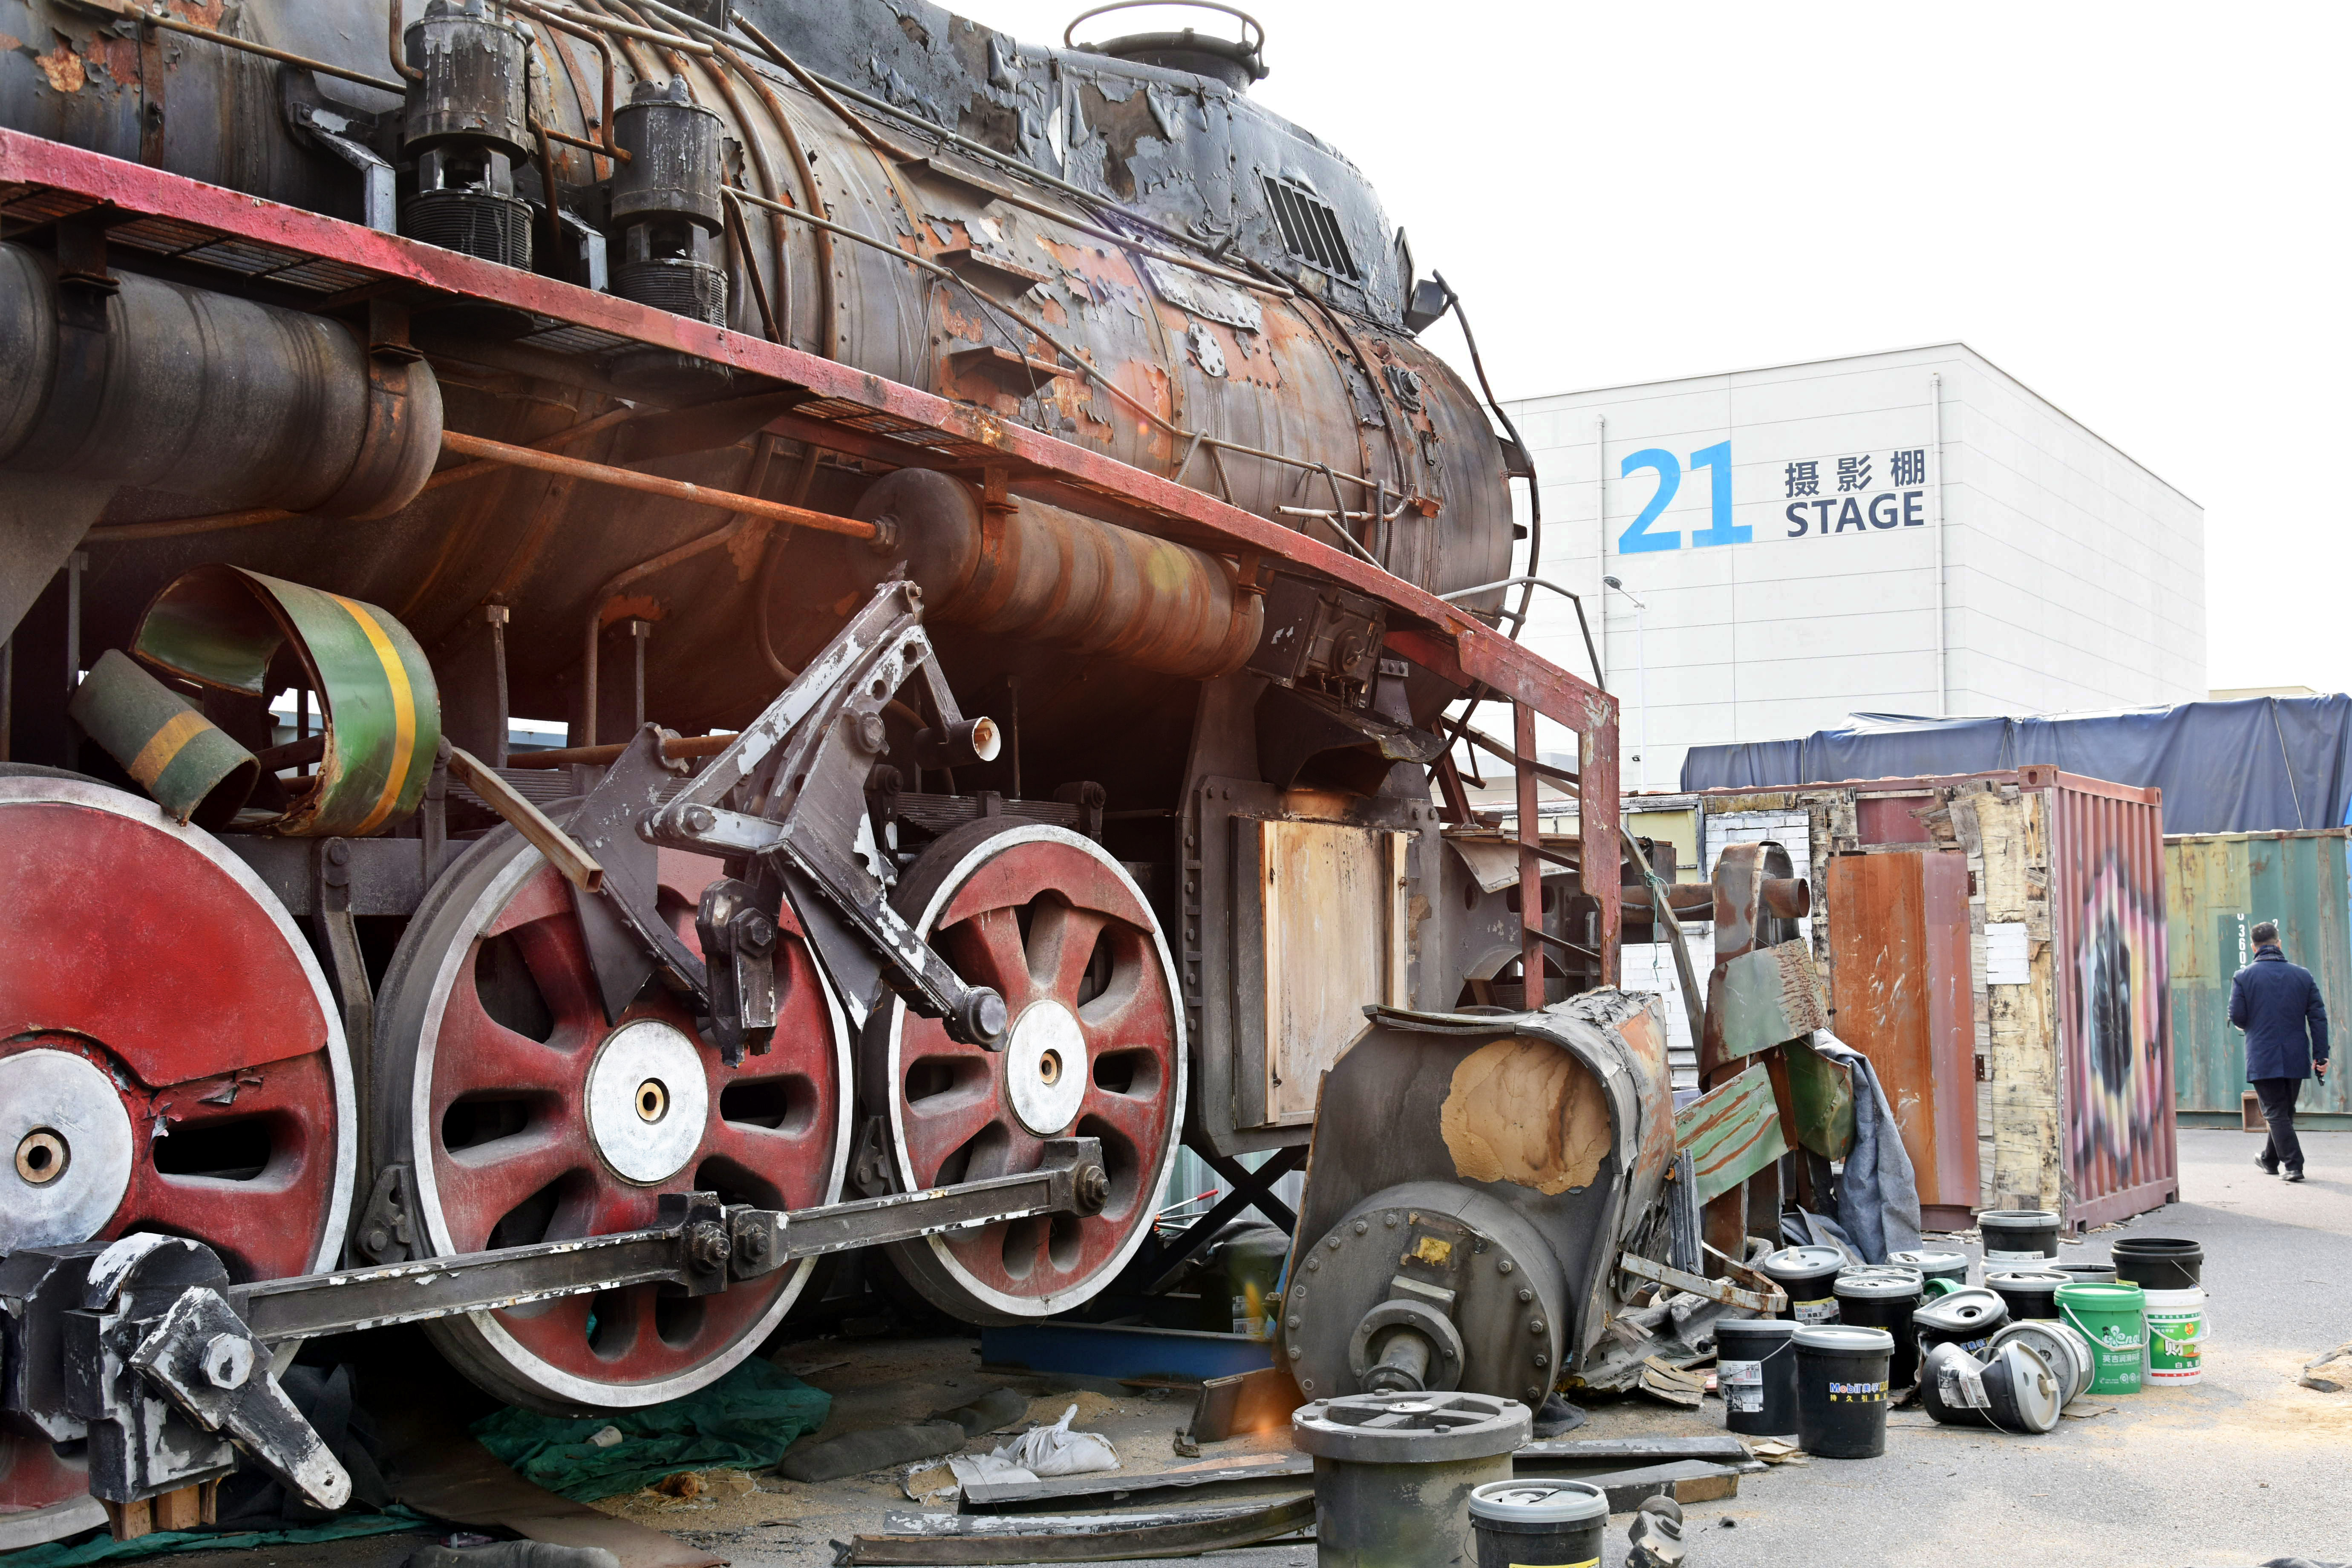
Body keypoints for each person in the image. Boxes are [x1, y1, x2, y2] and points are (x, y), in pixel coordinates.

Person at [2228, 919, 2329, 1182]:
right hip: (2296, 1055)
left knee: (2275, 1112)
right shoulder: (2303, 975)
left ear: (2254, 947)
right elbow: (2318, 1018)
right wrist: (2321, 1056)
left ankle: (2294, 1165)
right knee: (2283, 1112)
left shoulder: (2243, 977)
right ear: (2279, 944)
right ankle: (2269, 1160)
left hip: (2262, 1055)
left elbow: (2238, 1017)